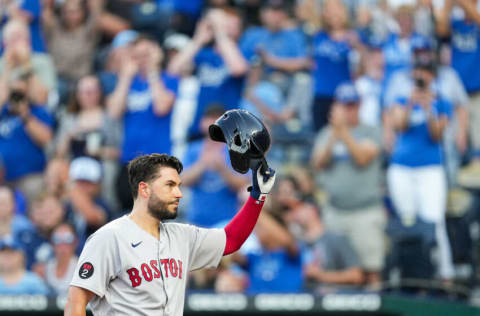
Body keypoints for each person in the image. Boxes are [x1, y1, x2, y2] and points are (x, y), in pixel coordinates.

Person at [65, 153, 276, 315]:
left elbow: (231, 240)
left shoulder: (181, 235)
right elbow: (76, 300)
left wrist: (257, 195)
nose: (179, 193)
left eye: (179, 185)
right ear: (144, 189)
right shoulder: (109, 238)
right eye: (170, 185)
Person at [386, 54, 455, 280]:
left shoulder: (442, 101)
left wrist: (428, 107)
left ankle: (444, 273)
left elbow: (437, 135)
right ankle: (407, 274)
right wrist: (412, 102)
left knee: (434, 221)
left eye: (426, 71)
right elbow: (400, 126)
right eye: (418, 71)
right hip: (402, 168)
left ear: (432, 76)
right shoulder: (402, 99)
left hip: (430, 168)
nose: (421, 76)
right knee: (407, 220)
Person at [310, 82, 386, 285]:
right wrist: (336, 133)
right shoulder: (327, 133)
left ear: (359, 105)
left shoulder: (371, 131)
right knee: (335, 267)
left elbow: (362, 158)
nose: (348, 109)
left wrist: (343, 131)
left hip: (365, 211)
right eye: (344, 105)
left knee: (371, 270)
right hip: (335, 212)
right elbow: (318, 163)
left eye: (352, 105)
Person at [168, 7, 248, 140]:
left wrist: (221, 34)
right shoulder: (205, 54)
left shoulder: (242, 52)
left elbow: (238, 68)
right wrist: (198, 39)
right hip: (200, 128)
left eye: (230, 24)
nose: (224, 27)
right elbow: (173, 70)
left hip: (229, 131)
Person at [181, 105, 249, 227]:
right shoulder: (193, 149)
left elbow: (244, 186)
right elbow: (182, 181)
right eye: (209, 119)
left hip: (227, 221)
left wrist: (222, 168)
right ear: (202, 123)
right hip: (196, 220)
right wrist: (202, 165)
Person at [0, 76, 54, 203]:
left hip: (30, 176)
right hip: (3, 179)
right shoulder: (3, 113)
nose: (17, 97)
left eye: (21, 93)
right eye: (14, 92)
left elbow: (45, 138)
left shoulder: (37, 111)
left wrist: (25, 115)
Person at [43, 223, 79, 296]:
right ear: (52, 243)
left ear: (75, 242)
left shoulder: (82, 269)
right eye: (57, 239)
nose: (63, 244)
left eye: (68, 238)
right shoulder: (44, 269)